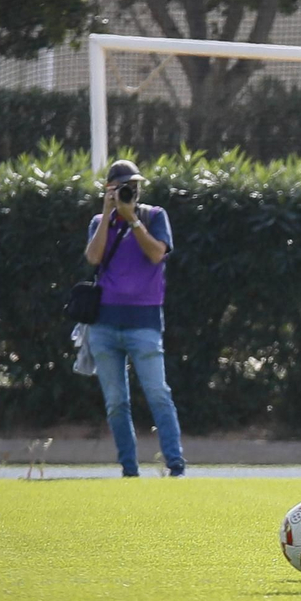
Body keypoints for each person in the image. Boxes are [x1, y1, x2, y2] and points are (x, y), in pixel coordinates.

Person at [83, 159, 186, 478]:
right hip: (104, 323)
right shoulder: (100, 221)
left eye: (135, 185)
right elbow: (93, 257)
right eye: (124, 186)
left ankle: (175, 464)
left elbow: (157, 254)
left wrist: (132, 221)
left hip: (144, 322)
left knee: (158, 393)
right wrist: (108, 214)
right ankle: (129, 468)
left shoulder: (154, 216)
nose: (132, 190)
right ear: (109, 189)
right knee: (116, 401)